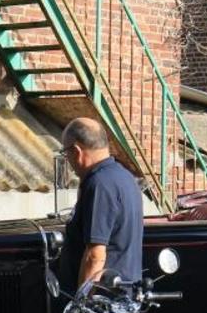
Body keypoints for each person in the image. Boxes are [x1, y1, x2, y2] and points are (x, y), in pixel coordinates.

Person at [57, 115, 144, 294]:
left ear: (77, 151)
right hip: (122, 294)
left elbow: (95, 256)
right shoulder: (125, 177)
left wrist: (81, 303)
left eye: (66, 153)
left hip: (102, 300)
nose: (68, 160)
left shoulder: (99, 184)